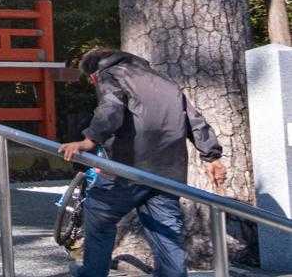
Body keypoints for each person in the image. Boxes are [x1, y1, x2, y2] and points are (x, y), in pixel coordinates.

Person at [58, 48, 227, 277]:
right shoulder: (165, 82)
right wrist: (212, 156)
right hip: (168, 172)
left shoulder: (110, 75)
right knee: (166, 231)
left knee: (98, 214)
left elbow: (111, 108)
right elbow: (194, 120)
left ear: (93, 74)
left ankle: (92, 273)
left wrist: (90, 140)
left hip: (128, 169)